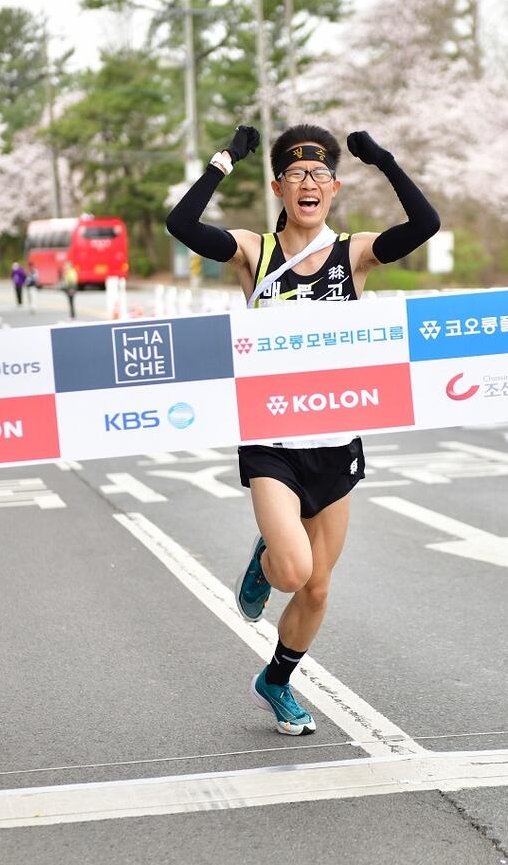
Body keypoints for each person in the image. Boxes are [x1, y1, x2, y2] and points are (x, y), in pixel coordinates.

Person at [166, 124, 440, 736]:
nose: (308, 184)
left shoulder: (357, 254)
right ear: (279, 188)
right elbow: (182, 227)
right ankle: (267, 558)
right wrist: (224, 159)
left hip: (335, 440)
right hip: (270, 439)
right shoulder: (252, 251)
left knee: (316, 591)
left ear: (334, 188)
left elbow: (425, 226)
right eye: (296, 176)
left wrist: (386, 160)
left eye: (319, 176)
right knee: (291, 572)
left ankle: (277, 681)